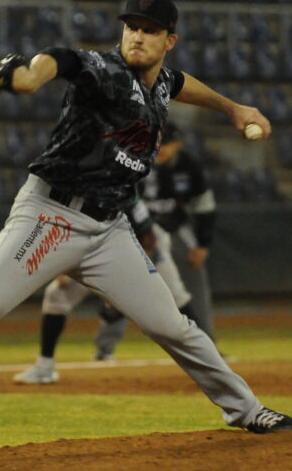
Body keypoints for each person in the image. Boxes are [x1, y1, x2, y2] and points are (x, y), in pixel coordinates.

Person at [0, 0, 292, 444]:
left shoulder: (160, 83)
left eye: (149, 30)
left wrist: (234, 108)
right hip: (51, 214)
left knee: (173, 325)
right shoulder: (105, 70)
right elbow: (62, 60)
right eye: (131, 27)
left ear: (169, 41)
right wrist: (27, 77)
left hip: (109, 230)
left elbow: (180, 85)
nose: (137, 36)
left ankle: (247, 410)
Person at [11, 196, 201, 384]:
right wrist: (63, 268)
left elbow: (148, 237)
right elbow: (62, 233)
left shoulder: (123, 193)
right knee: (57, 295)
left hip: (142, 248)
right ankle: (45, 367)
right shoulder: (70, 195)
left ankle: (206, 357)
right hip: (92, 244)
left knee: (176, 295)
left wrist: (126, 284)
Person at [93, 121, 220, 359]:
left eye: (168, 143)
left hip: (176, 229)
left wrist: (202, 243)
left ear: (178, 144)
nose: (162, 148)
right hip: (135, 231)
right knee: (123, 284)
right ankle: (105, 348)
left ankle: (208, 344)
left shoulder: (188, 165)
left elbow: (205, 205)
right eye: (159, 143)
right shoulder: (134, 159)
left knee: (194, 282)